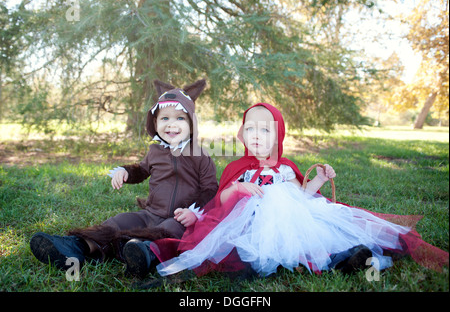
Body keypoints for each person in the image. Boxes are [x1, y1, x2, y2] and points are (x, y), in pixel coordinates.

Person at [151, 103, 448, 279]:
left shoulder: (284, 167)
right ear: (242, 133)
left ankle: (346, 256)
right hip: (251, 220)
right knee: (247, 248)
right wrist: (240, 187)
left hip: (293, 219)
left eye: (265, 130)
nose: (257, 136)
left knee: (319, 233)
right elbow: (221, 201)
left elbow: (304, 196)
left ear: (278, 136)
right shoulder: (240, 168)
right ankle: (258, 263)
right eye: (251, 129)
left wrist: (317, 180)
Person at [30, 79, 219, 278]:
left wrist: (194, 212)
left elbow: (210, 189)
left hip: (180, 218)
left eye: (180, 119)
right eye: (165, 119)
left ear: (191, 123)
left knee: (166, 232)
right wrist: (126, 172)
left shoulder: (200, 156)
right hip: (151, 213)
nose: (171, 124)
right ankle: (78, 246)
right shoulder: (155, 151)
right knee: (120, 221)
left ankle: (143, 253)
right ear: (155, 123)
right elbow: (141, 170)